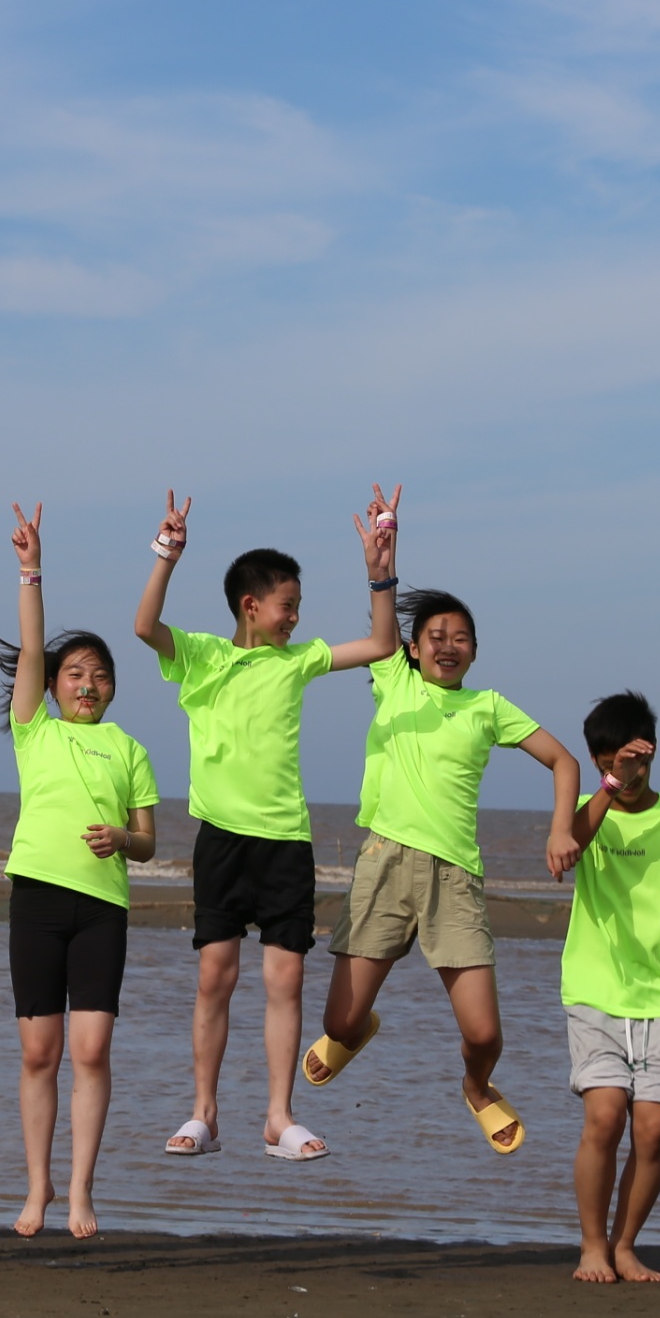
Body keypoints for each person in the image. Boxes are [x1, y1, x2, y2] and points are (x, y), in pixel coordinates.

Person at [133, 485, 402, 1162]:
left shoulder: (298, 660)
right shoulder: (202, 657)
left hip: (286, 843)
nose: (295, 618)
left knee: (286, 982)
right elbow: (143, 626)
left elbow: (381, 643)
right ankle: (204, 1112)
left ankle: (279, 1117)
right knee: (215, 978)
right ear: (251, 606)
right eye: (288, 605)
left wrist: (380, 570)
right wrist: (166, 554)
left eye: (299, 607)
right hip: (222, 841)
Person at [304, 587, 580, 1157]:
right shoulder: (395, 681)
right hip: (384, 866)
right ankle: (356, 1031)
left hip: (454, 879)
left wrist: (561, 830)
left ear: (475, 650)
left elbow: (564, 761)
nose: (448, 647)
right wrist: (381, 572)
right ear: (413, 648)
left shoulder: (488, 706)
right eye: (436, 637)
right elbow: (383, 624)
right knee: (340, 1026)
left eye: (460, 639)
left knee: (484, 1034)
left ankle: (476, 1087)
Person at [0, 503, 157, 1238]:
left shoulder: (129, 749)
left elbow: (148, 843)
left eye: (98, 676)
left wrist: (122, 837)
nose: (85, 685)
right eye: (73, 675)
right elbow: (31, 648)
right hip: (36, 899)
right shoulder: (35, 732)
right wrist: (32, 569)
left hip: (101, 910)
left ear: (113, 688)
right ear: (54, 687)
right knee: (40, 1052)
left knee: (91, 1051)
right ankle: (38, 1188)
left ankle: (82, 1192)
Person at [548, 692, 660, 1284]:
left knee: (652, 1127)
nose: (626, 776)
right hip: (593, 990)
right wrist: (608, 784)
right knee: (605, 1116)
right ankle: (591, 1246)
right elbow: (566, 850)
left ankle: (624, 1245)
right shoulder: (586, 811)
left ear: (652, 753)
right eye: (610, 764)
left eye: (634, 764)